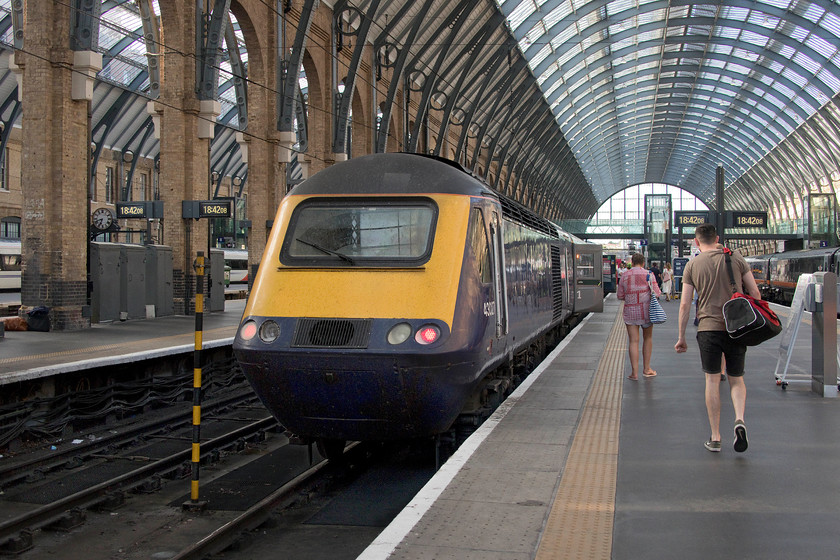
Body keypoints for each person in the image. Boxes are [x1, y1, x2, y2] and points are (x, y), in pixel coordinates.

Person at [674, 224, 761, 453]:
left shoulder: (692, 264)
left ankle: (715, 437)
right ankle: (739, 419)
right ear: (718, 238)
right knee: (736, 379)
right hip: (736, 328)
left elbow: (684, 304)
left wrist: (681, 337)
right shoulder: (736, 258)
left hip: (708, 328)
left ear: (696, 241)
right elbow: (756, 294)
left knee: (712, 381)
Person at [616, 252, 662, 380]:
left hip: (630, 312)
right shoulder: (649, 275)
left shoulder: (625, 275)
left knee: (633, 341)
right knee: (647, 338)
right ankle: (647, 369)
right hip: (647, 311)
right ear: (643, 263)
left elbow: (620, 296)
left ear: (632, 262)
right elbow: (657, 293)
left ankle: (634, 373)